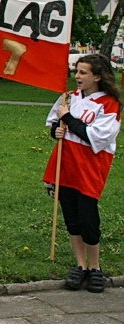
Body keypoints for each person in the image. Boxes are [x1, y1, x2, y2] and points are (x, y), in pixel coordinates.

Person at [42, 54, 121, 293]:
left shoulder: (109, 104)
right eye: (77, 71)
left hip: (90, 167)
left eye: (83, 72)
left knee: (88, 217)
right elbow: (53, 125)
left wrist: (66, 117)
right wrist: (57, 128)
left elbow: (95, 136)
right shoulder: (68, 98)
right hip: (65, 164)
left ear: (97, 76)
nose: (78, 76)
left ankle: (95, 267)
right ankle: (80, 265)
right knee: (72, 216)